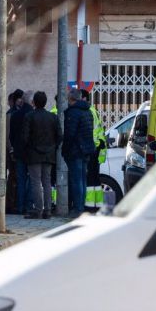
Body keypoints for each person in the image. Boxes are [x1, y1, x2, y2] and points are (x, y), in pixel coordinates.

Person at [22, 91, 61, 219]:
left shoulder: (29, 116)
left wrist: (28, 148)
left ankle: (38, 210)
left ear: (34, 102)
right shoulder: (53, 117)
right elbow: (59, 136)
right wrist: (53, 146)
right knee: (47, 182)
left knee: (36, 182)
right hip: (49, 154)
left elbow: (25, 137)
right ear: (45, 102)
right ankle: (48, 210)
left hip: (33, 154)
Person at [61, 88, 95, 217]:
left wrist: (64, 150)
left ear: (71, 99)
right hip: (86, 149)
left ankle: (78, 208)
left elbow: (70, 134)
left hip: (75, 151)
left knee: (76, 180)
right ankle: (80, 206)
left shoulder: (73, 113)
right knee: (82, 179)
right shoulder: (88, 112)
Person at [81, 89, 107, 210]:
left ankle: (90, 205)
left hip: (92, 148)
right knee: (95, 179)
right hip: (96, 147)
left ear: (84, 98)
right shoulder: (93, 110)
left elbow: (90, 131)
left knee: (90, 178)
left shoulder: (88, 111)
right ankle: (98, 204)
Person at [9, 89, 34, 214]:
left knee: (20, 180)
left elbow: (11, 135)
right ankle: (29, 205)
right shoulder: (33, 114)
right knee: (32, 179)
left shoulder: (15, 115)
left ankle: (20, 206)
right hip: (32, 153)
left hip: (19, 152)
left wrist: (15, 147)